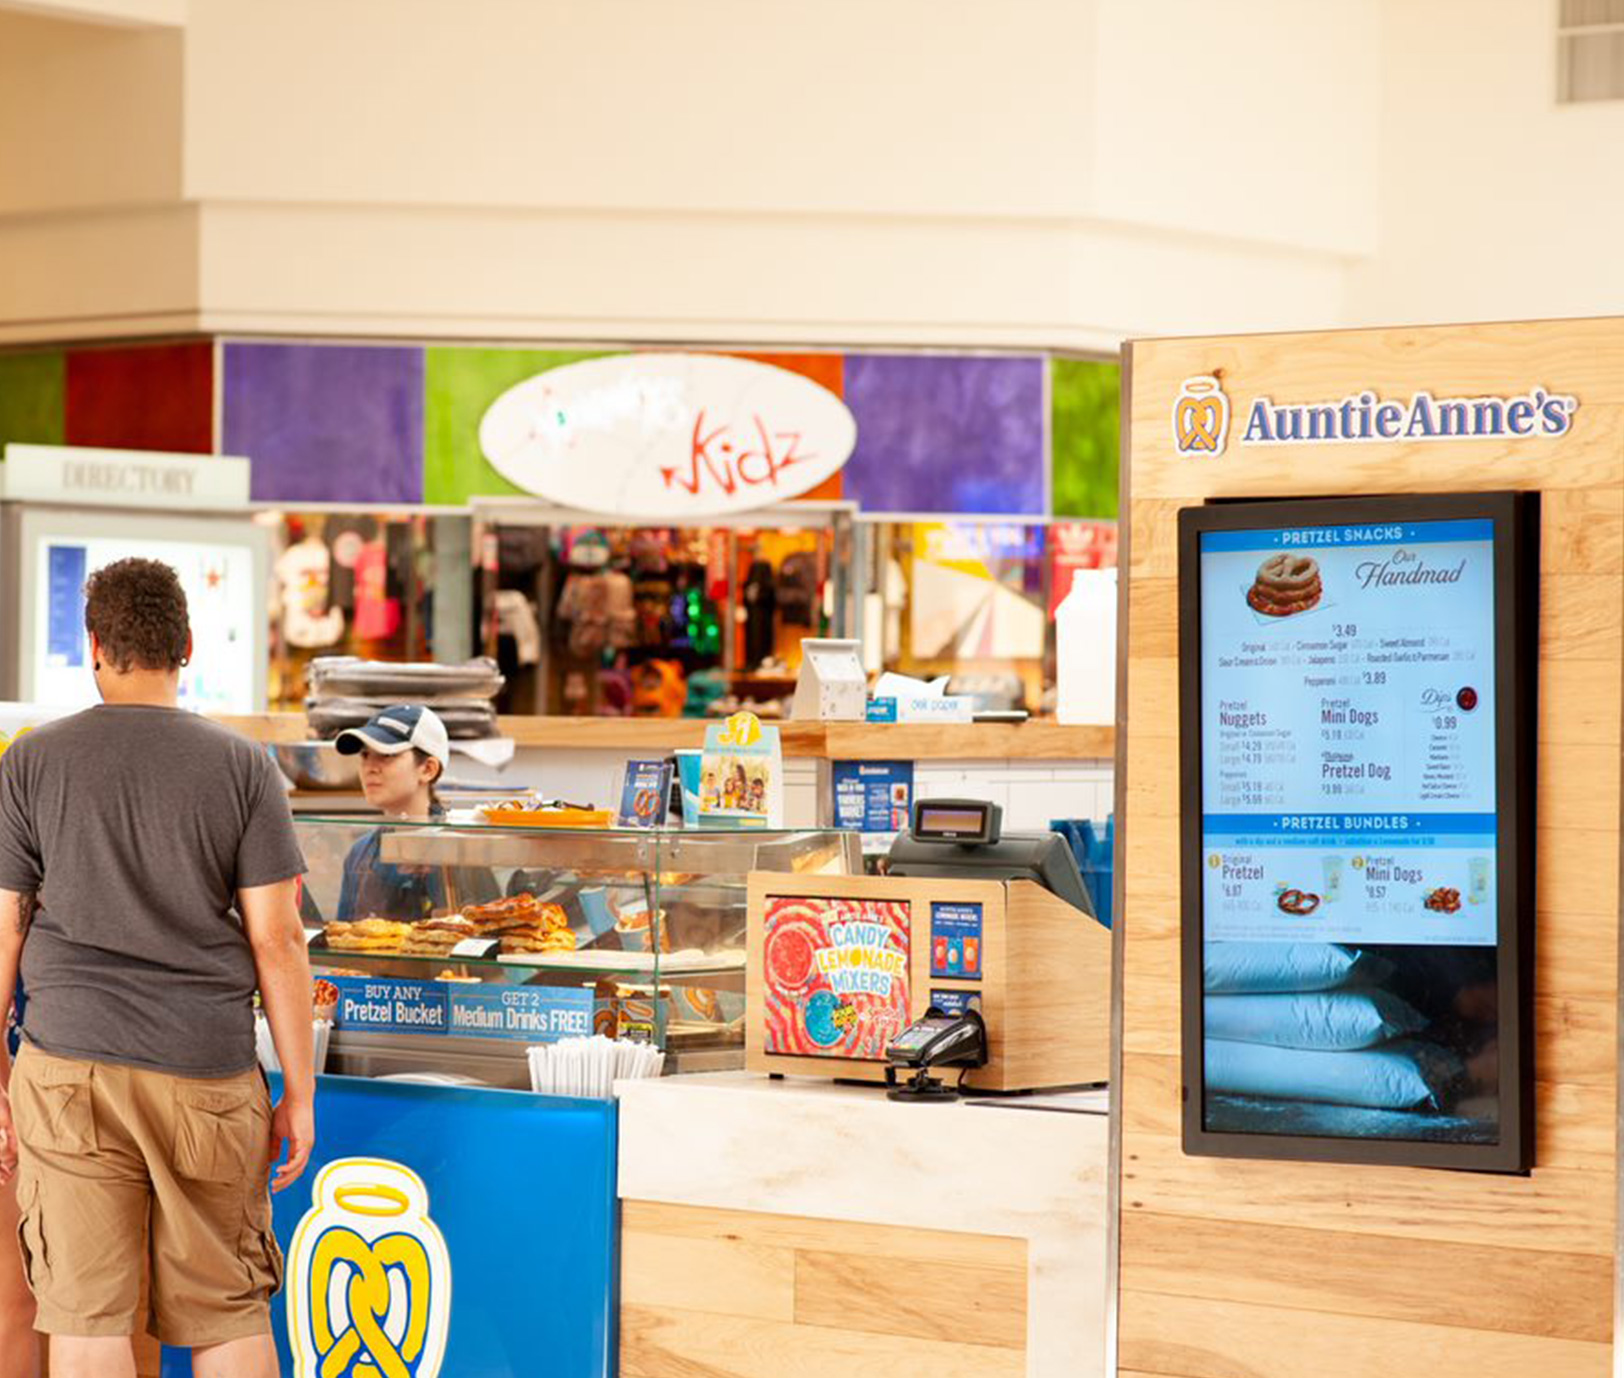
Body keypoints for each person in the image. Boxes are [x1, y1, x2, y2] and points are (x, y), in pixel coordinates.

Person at [0, 558, 315, 1378]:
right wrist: (299, 1095)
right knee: (224, 1311)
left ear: (94, 645)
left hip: (68, 1071)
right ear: (187, 646)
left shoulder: (31, 763)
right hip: (206, 1073)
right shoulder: (244, 768)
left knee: (87, 1316)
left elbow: (0, 933)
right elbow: (278, 940)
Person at [332, 705, 498, 919]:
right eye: (364, 755)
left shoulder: (459, 853)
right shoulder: (360, 854)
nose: (370, 767)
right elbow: (343, 938)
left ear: (428, 769)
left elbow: (483, 937)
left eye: (387, 754)